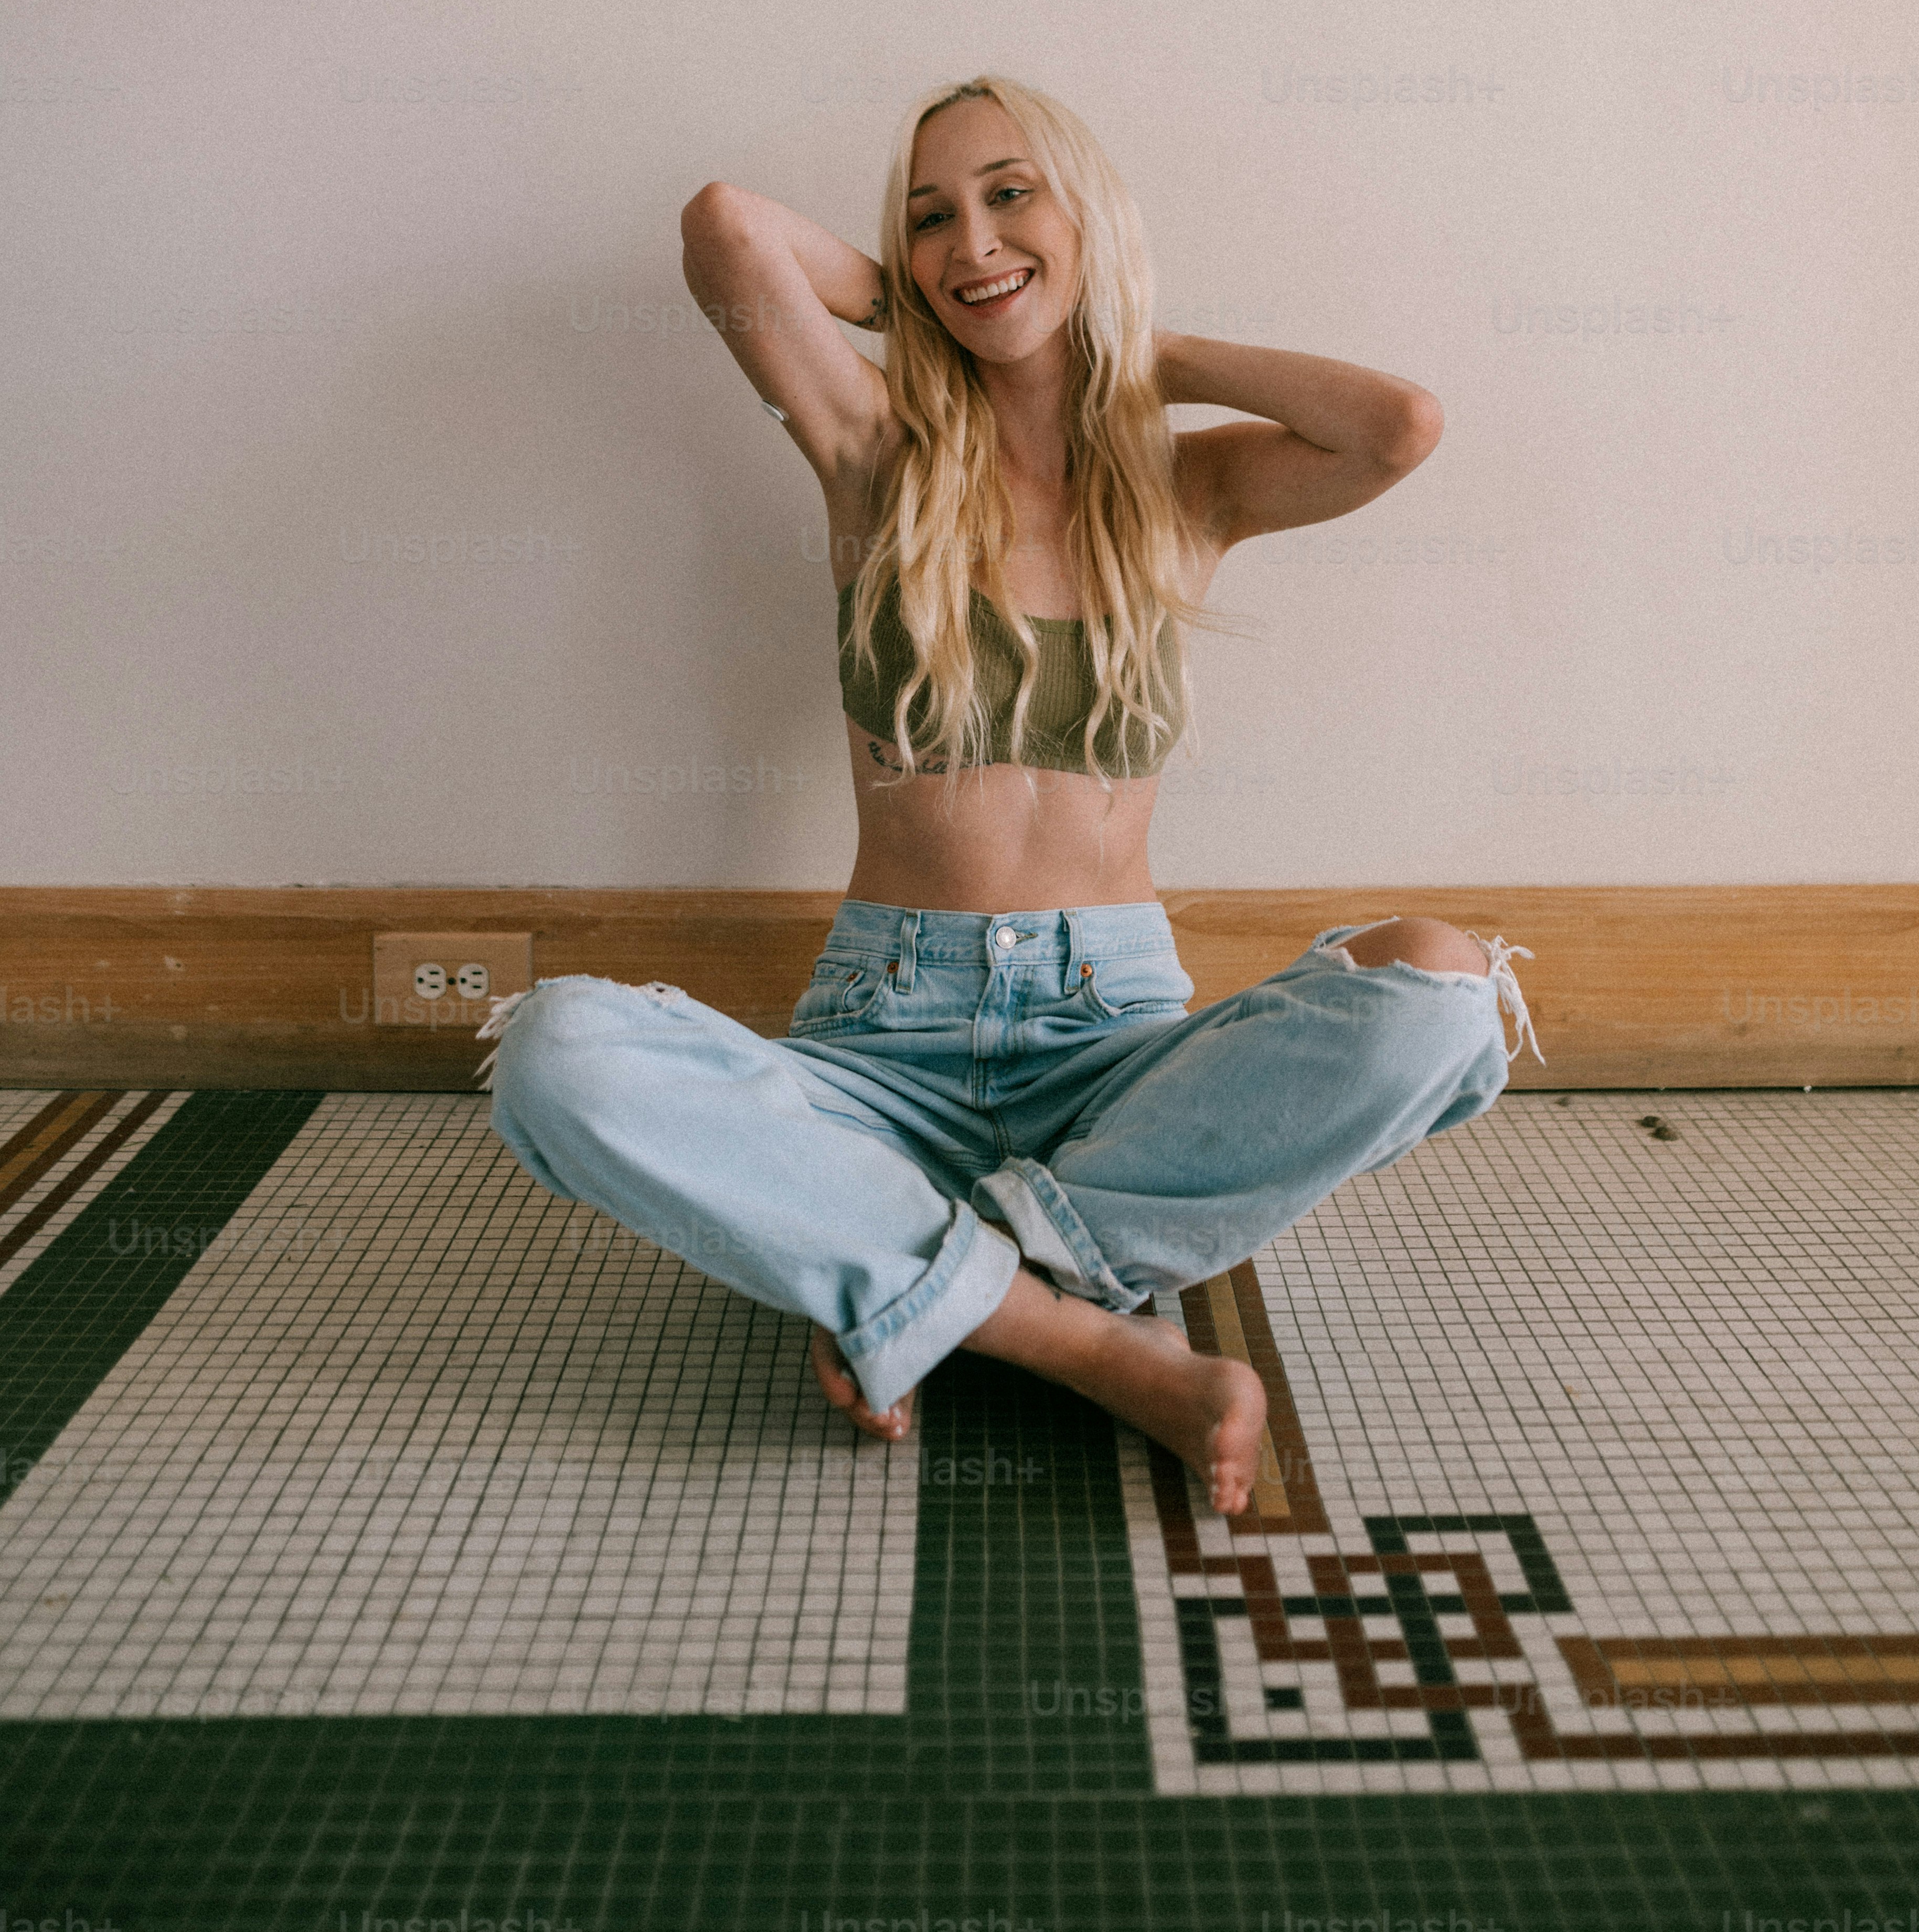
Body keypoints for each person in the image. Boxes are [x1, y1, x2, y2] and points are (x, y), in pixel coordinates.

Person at [481, 73, 1539, 1514]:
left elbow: (1396, 425)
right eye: (931, 218)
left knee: (1440, 986)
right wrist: (939, 306)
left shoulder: (1185, 493)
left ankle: (902, 1271)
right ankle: (1089, 1344)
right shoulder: (874, 458)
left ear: (1086, 218)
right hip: (877, 1047)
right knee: (559, 1053)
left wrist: (1123, 345)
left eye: (1009, 196)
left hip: (1112, 1050)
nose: (970, 237)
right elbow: (726, 229)